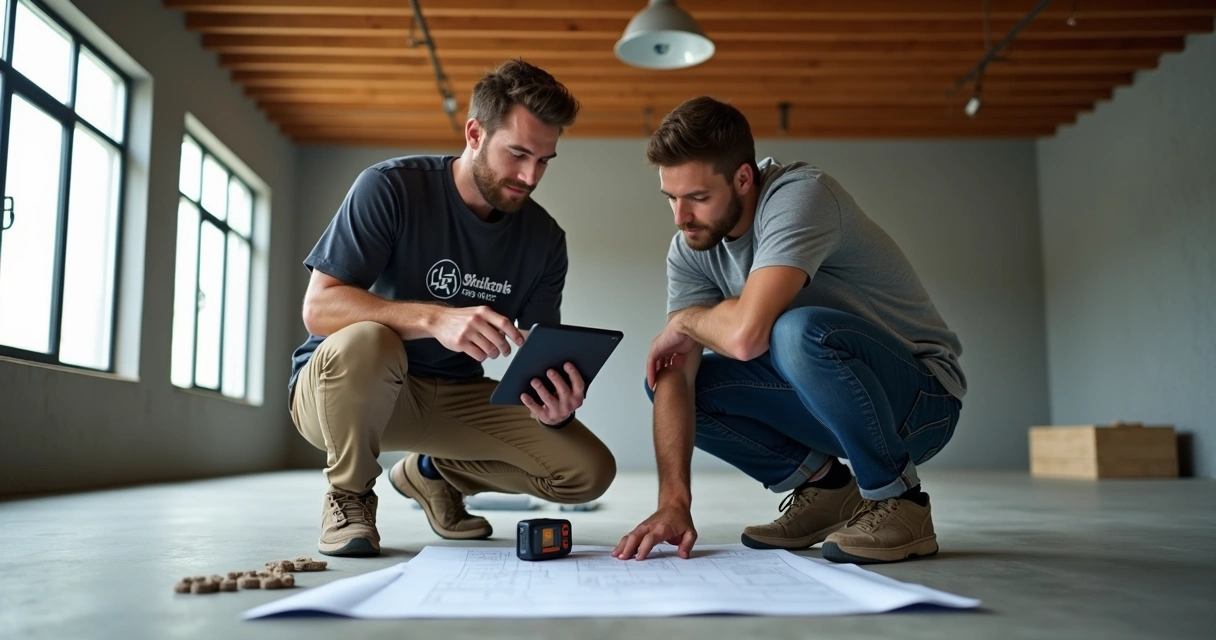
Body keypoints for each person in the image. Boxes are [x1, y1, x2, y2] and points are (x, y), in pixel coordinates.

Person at [614, 97, 966, 565]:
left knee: (795, 330)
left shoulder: (800, 195)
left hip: (922, 401)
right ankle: (824, 490)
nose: (681, 217)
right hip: (826, 401)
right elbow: (677, 369)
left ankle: (901, 503)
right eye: (671, 198)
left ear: (743, 178)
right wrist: (673, 503)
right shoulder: (692, 248)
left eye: (697, 198)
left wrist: (684, 321)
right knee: (668, 381)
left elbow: (745, 337)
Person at [289, 60, 616, 557]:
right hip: (348, 392)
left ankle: (430, 472)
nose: (530, 176)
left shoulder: (545, 239)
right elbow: (319, 307)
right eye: (518, 154)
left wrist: (556, 402)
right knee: (370, 339)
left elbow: (540, 354)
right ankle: (350, 494)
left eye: (545, 160)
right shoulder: (391, 187)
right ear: (474, 133)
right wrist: (434, 318)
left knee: (589, 471)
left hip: (454, 397)